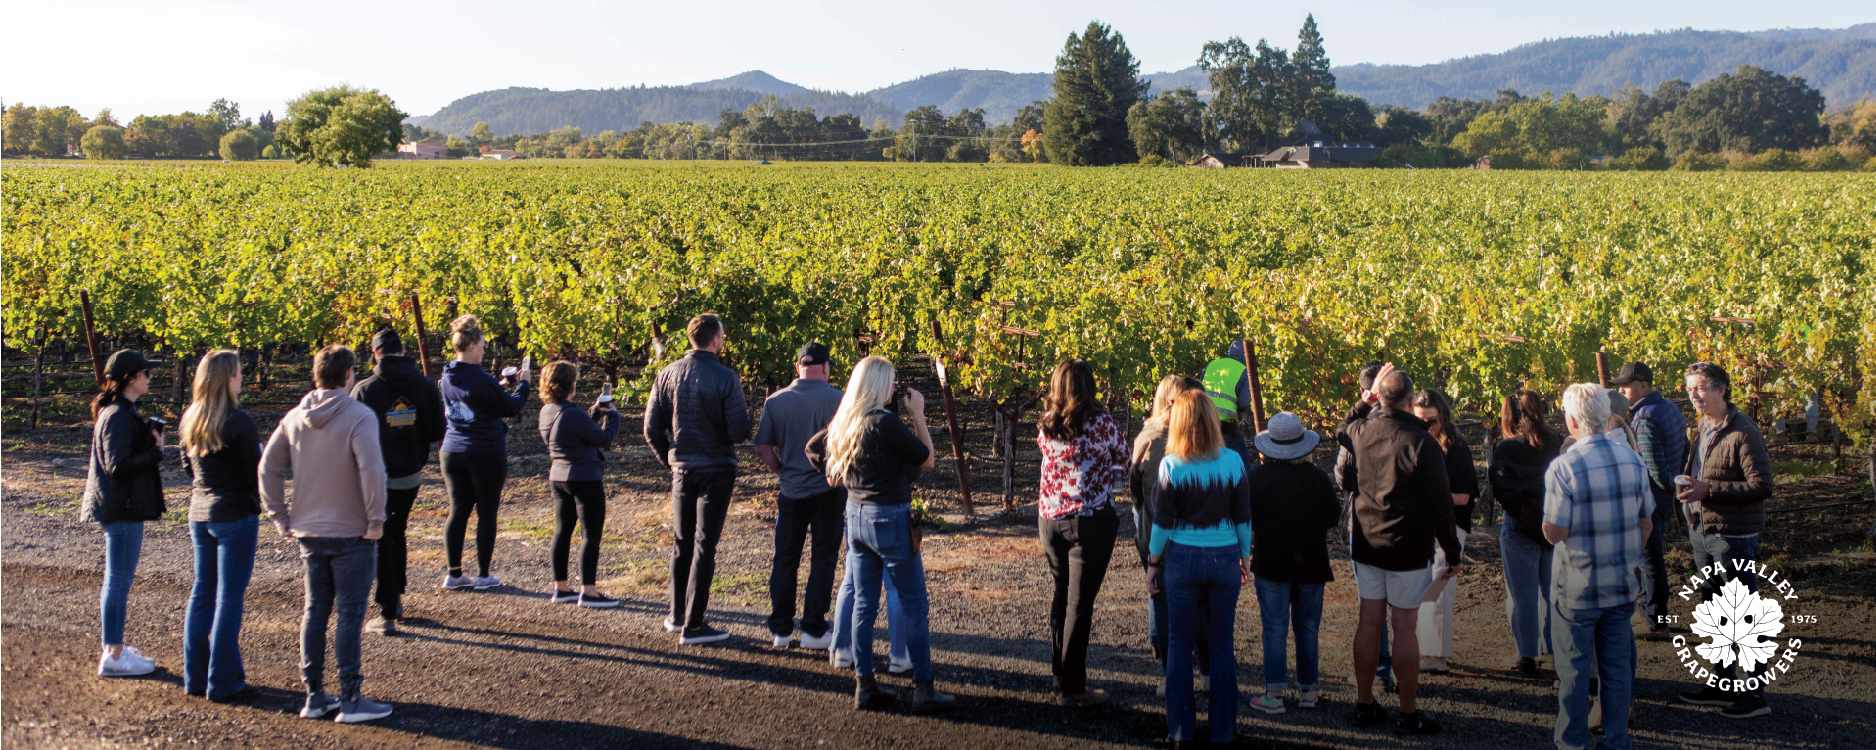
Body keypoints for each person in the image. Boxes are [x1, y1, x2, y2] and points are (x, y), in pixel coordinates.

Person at [805, 355, 955, 713]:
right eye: (889, 382)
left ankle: (865, 683)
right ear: (877, 386)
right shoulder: (883, 422)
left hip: (855, 515)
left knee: (864, 602)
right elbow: (926, 458)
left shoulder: (846, 420)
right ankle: (923, 686)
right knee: (914, 602)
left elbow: (815, 450)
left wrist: (835, 473)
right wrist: (919, 413)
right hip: (889, 515)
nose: (893, 388)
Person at [260, 345, 393, 723]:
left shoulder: (294, 417)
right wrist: (376, 519)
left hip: (308, 531)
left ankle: (314, 695)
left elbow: (268, 467)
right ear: (349, 373)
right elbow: (371, 470)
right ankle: (350, 697)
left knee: (315, 610)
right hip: (352, 532)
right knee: (350, 613)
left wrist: (279, 515)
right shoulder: (358, 415)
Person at [1340, 365, 1460, 735]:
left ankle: (1365, 704)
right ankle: (1407, 713)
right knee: (1404, 627)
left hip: (1367, 544)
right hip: (1407, 547)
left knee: (1369, 622)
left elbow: (1342, 432)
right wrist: (1452, 553)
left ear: (1380, 397)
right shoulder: (1421, 443)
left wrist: (1365, 401)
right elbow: (1442, 506)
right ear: (1411, 401)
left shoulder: (1360, 431)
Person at [1545, 383, 1654, 750]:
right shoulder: (1633, 460)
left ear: (1572, 419)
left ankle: (1572, 743)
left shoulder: (1564, 465)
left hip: (1578, 587)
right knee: (1617, 670)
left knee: (1574, 673)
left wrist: (1546, 526)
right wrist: (1625, 556)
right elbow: (1646, 522)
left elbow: (1556, 530)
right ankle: (1617, 740)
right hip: (1621, 584)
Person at [1146, 389, 1250, 747]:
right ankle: (1223, 732)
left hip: (1182, 559)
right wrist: (1245, 556)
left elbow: (1161, 524)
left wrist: (1152, 563)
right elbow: (1242, 517)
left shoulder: (1171, 465)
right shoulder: (1233, 461)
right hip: (1224, 558)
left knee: (1178, 644)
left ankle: (1180, 732)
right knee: (1222, 645)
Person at [1675, 362, 1774, 719]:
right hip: (1705, 530)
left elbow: (1763, 486)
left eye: (1699, 388)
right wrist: (1691, 486)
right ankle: (1721, 682)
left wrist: (1708, 489)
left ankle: (1755, 694)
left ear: (1721, 389)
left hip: (1732, 536)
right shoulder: (1705, 426)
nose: (1693, 395)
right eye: (1689, 389)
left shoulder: (1743, 431)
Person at [645, 313, 752, 645]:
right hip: (716, 469)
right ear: (716, 340)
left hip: (683, 470)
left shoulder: (667, 373)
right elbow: (738, 431)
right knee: (705, 545)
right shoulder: (725, 377)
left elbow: (651, 429)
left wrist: (671, 458)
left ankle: (677, 616)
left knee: (682, 542)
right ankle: (694, 624)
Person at [1035, 359, 1131, 707]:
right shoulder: (1102, 424)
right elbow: (1126, 456)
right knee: (1079, 603)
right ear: (1090, 386)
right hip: (1087, 521)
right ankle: (1072, 689)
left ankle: (1060, 672)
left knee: (1062, 593)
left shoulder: (1046, 422)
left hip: (1049, 520)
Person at [350, 328, 446, 635]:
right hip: (411, 477)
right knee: (397, 531)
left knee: (382, 538)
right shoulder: (425, 385)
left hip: (377, 477)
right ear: (403, 351)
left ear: (375, 354)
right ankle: (397, 594)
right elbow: (437, 430)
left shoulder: (365, 390)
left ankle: (387, 609)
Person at [179, 350, 262, 702]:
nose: (242, 378)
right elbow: (253, 473)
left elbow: (188, 468)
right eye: (239, 373)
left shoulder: (191, 418)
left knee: (202, 594)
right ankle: (224, 682)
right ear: (228, 378)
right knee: (229, 598)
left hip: (200, 513)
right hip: (234, 516)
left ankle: (196, 677)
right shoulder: (238, 421)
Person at [1246, 411, 1339, 716]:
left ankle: (1274, 694)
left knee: (1273, 628)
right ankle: (1308, 691)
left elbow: (1247, 518)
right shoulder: (1318, 478)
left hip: (1272, 562)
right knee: (1307, 628)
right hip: (1312, 562)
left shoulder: (1257, 478)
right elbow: (1332, 518)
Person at [83, 349, 167, 679]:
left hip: (122, 506)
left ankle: (114, 648)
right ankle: (114, 654)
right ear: (131, 378)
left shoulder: (120, 412)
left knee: (118, 580)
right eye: (147, 373)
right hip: (121, 508)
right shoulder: (116, 414)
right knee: (118, 581)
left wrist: (146, 443)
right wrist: (155, 455)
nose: (150, 378)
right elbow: (117, 466)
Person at [757, 343, 846, 649]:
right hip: (828, 489)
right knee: (823, 559)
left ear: (797, 367)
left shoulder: (776, 401)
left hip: (791, 491)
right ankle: (813, 629)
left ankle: (780, 630)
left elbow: (763, 447)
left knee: (785, 558)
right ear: (826, 367)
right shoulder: (840, 401)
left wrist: (782, 471)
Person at [1129, 375, 1212, 697]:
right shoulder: (1205, 441)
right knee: (1201, 606)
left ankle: (1172, 675)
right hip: (1196, 538)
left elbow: (1136, 492)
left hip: (1156, 538)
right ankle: (1206, 672)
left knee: (1162, 605)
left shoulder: (1147, 438)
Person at [437, 315, 530, 591]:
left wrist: (499, 385)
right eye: (482, 346)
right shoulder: (479, 377)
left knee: (458, 511)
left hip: (452, 449)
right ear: (471, 346)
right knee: (486, 512)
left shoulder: (447, 375)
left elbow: (473, 398)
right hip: (484, 450)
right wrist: (524, 384)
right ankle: (483, 574)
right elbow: (511, 408)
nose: (484, 350)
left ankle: (454, 573)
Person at [538, 360, 624, 608]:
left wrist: (595, 412)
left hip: (558, 477)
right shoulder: (572, 414)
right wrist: (614, 417)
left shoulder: (547, 411)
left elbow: (575, 430)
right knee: (590, 535)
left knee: (562, 531)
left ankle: (561, 588)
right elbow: (603, 439)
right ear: (570, 385)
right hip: (584, 477)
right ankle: (589, 592)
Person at [1613, 362, 1686, 641]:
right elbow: (1685, 447)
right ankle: (1649, 612)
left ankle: (1656, 621)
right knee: (1651, 558)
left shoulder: (1643, 418)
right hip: (1665, 496)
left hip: (1652, 498)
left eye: (1627, 385)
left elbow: (1653, 469)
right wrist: (1678, 483)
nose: (1622, 389)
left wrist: (1670, 488)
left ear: (1643, 385)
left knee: (1649, 560)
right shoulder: (1670, 407)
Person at [1490, 389, 1561, 675]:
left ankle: (1528, 655)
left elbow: (1500, 488)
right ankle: (1555, 650)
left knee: (1524, 595)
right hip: (1554, 525)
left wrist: (1518, 511)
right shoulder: (1556, 441)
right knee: (1554, 592)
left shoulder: (1507, 448)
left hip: (1521, 528)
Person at [1335, 360, 1396, 689]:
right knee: (1404, 607)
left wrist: (1363, 405)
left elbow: (1343, 476)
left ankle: (1379, 671)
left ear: (1366, 392)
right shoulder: (1411, 426)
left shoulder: (1357, 429)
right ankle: (1402, 669)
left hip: (1365, 525)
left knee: (1371, 607)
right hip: (1405, 527)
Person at [1410, 388, 1478, 674]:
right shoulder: (1417, 443)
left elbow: (1464, 496)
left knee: (1439, 590)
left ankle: (1436, 655)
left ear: (1444, 418)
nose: (1427, 426)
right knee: (1425, 590)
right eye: (1421, 420)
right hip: (1423, 527)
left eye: (1432, 421)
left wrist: (1431, 496)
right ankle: (1427, 650)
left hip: (1449, 526)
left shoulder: (1456, 449)